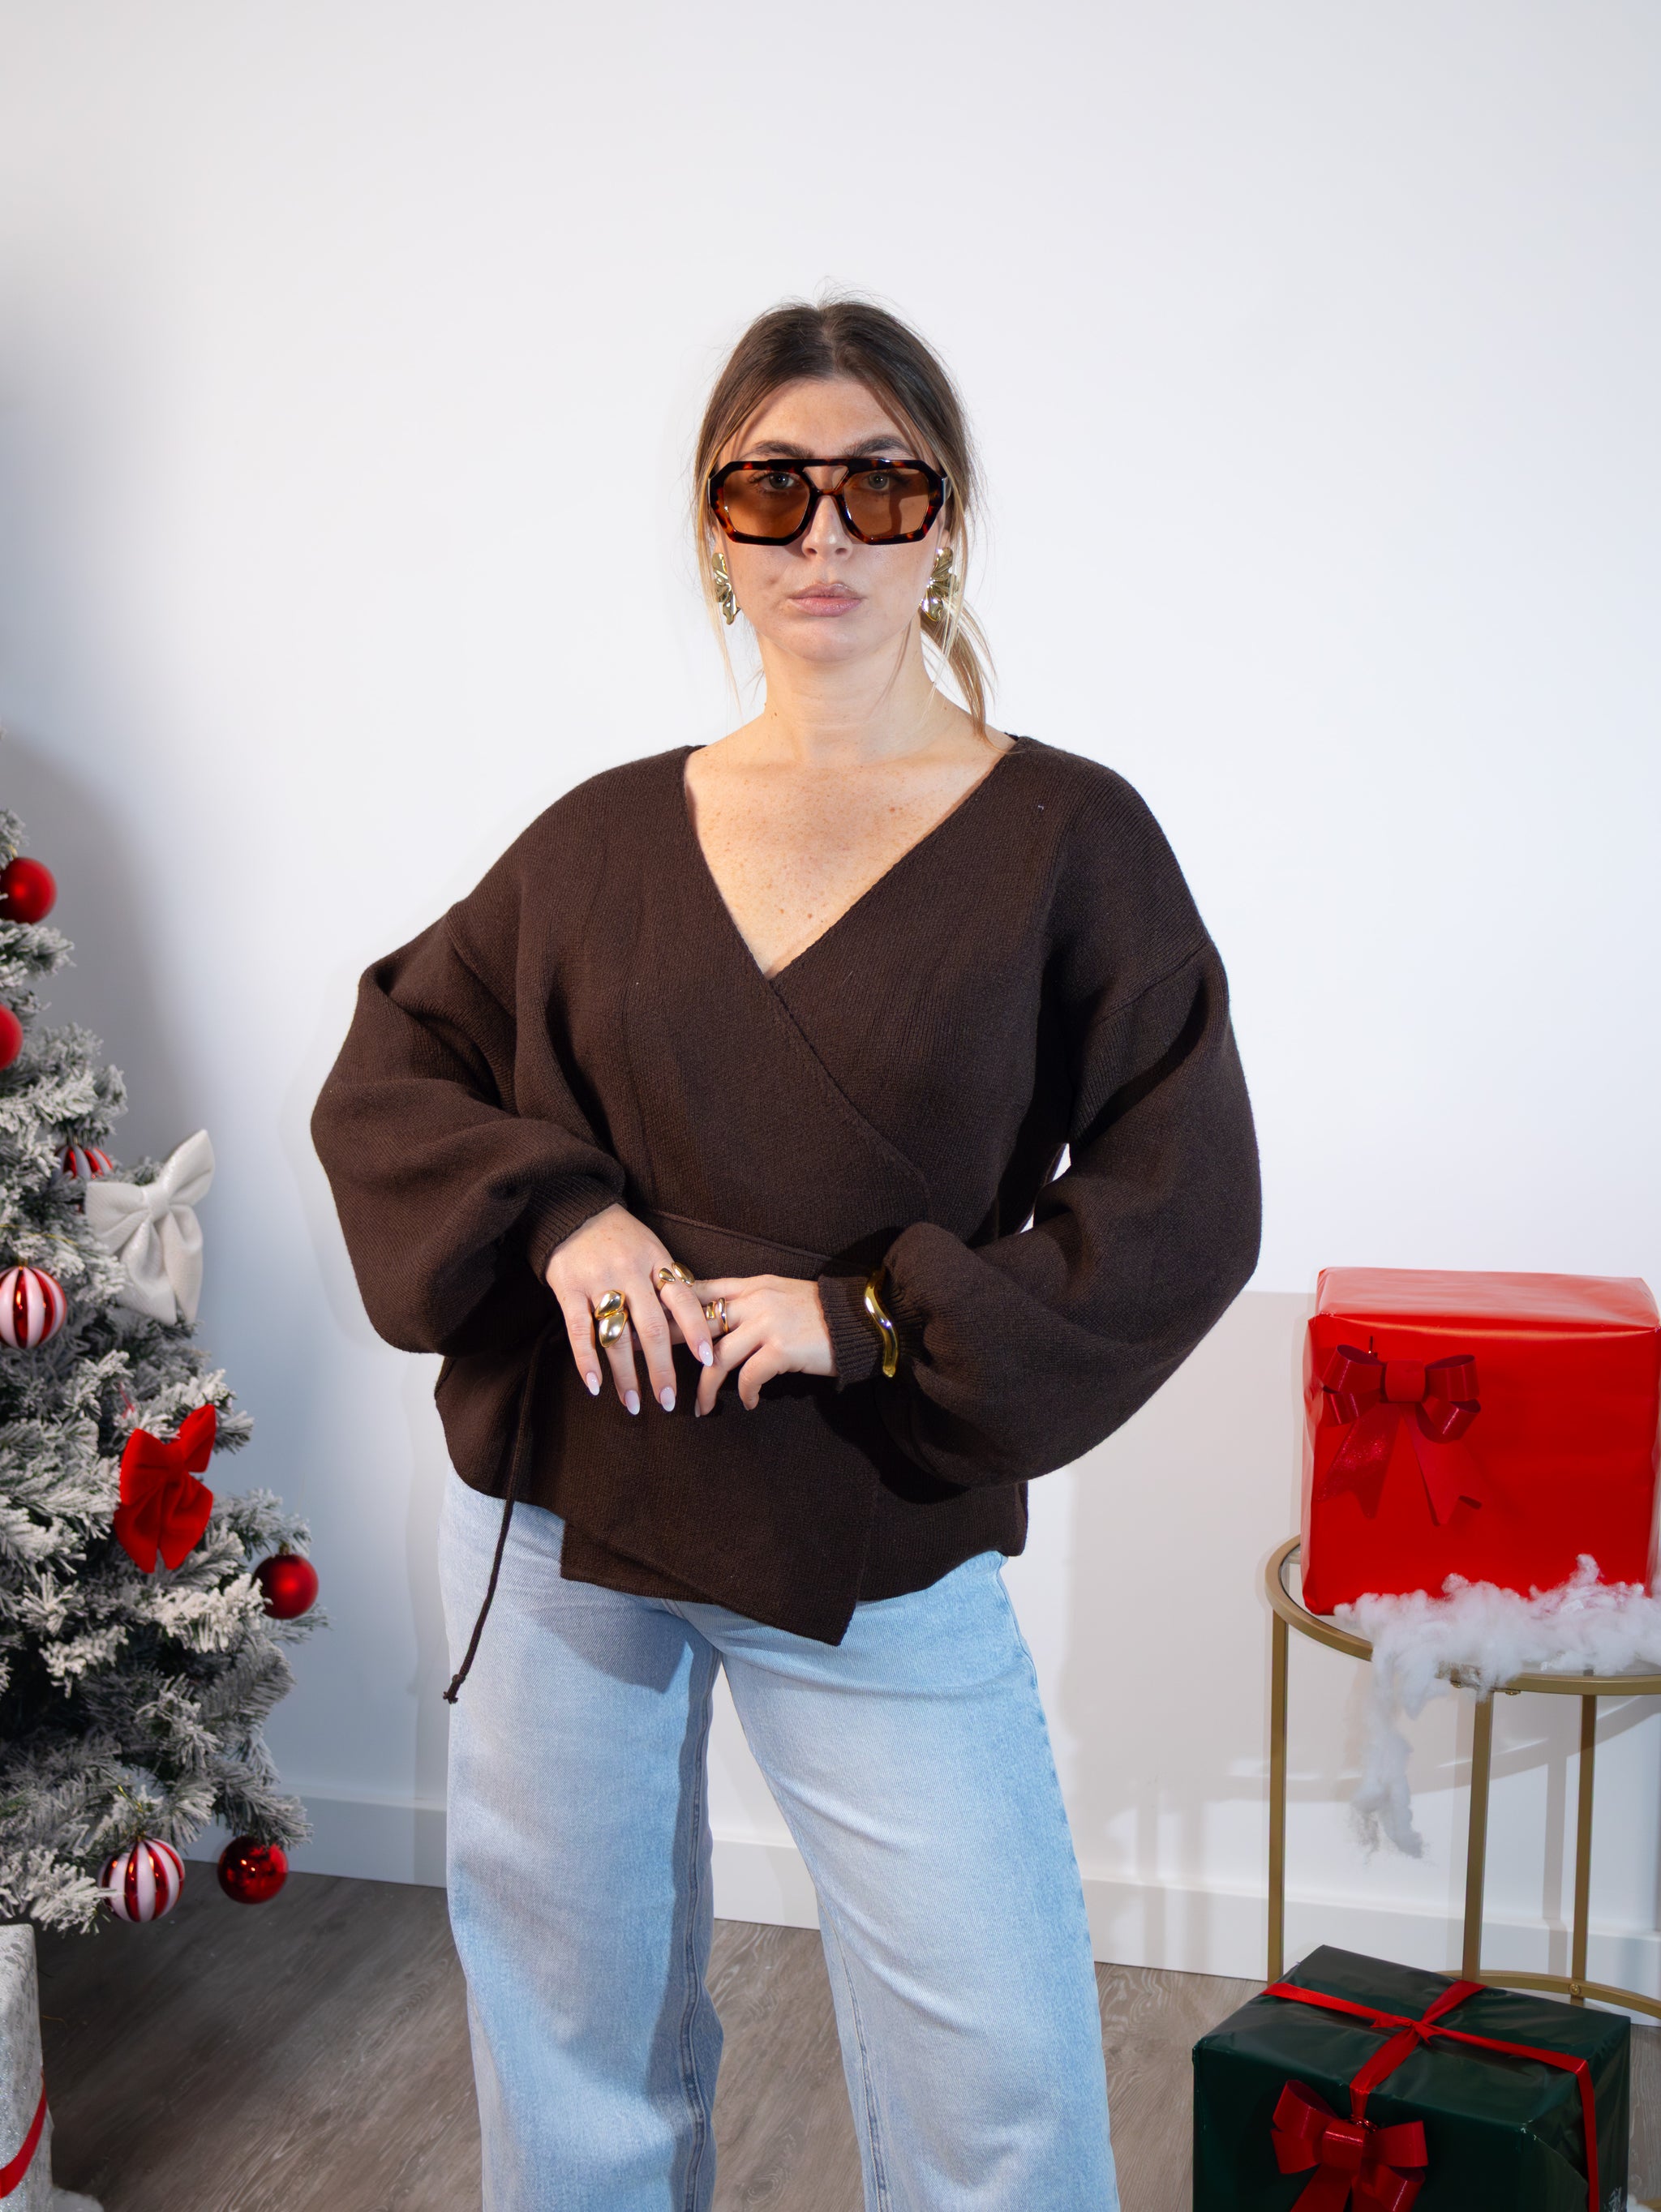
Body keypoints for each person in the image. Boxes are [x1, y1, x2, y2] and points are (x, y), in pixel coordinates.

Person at [311, 294, 1260, 2212]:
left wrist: (870, 1315)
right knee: (569, 2030)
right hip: (562, 1508)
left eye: (877, 484)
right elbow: (395, 1061)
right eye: (773, 487)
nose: (825, 530)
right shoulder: (598, 836)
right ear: (714, 527)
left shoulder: (1069, 837)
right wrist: (561, 1210)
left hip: (868, 1514)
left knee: (997, 2079)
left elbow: (1183, 1193)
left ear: (945, 521)